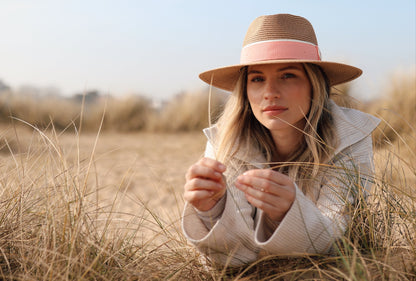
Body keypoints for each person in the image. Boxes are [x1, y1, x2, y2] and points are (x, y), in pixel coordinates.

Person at [181, 13, 380, 267]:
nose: (270, 93)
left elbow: (336, 240)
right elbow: (233, 259)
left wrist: (289, 214)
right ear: (245, 89)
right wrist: (211, 210)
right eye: (257, 79)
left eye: (287, 75)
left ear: (314, 83)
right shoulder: (225, 141)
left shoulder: (350, 136)